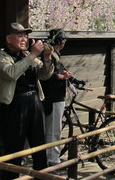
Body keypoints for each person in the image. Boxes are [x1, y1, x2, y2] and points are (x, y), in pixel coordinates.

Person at [0, 22, 54, 179]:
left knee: (39, 145)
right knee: (14, 147)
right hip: (15, 104)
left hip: (34, 101)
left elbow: (44, 75)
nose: (24, 39)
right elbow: (11, 73)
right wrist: (33, 54)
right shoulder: (0, 57)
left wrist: (46, 58)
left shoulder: (27, 55)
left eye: (26, 36)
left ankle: (42, 176)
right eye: (20, 36)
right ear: (9, 38)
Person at [40, 28, 83, 167]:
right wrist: (61, 76)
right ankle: (52, 158)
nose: (64, 42)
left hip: (58, 94)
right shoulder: (47, 55)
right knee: (53, 129)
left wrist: (74, 80)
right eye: (63, 39)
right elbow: (44, 75)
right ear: (60, 41)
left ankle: (51, 156)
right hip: (52, 95)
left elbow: (62, 71)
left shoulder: (56, 55)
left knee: (54, 128)